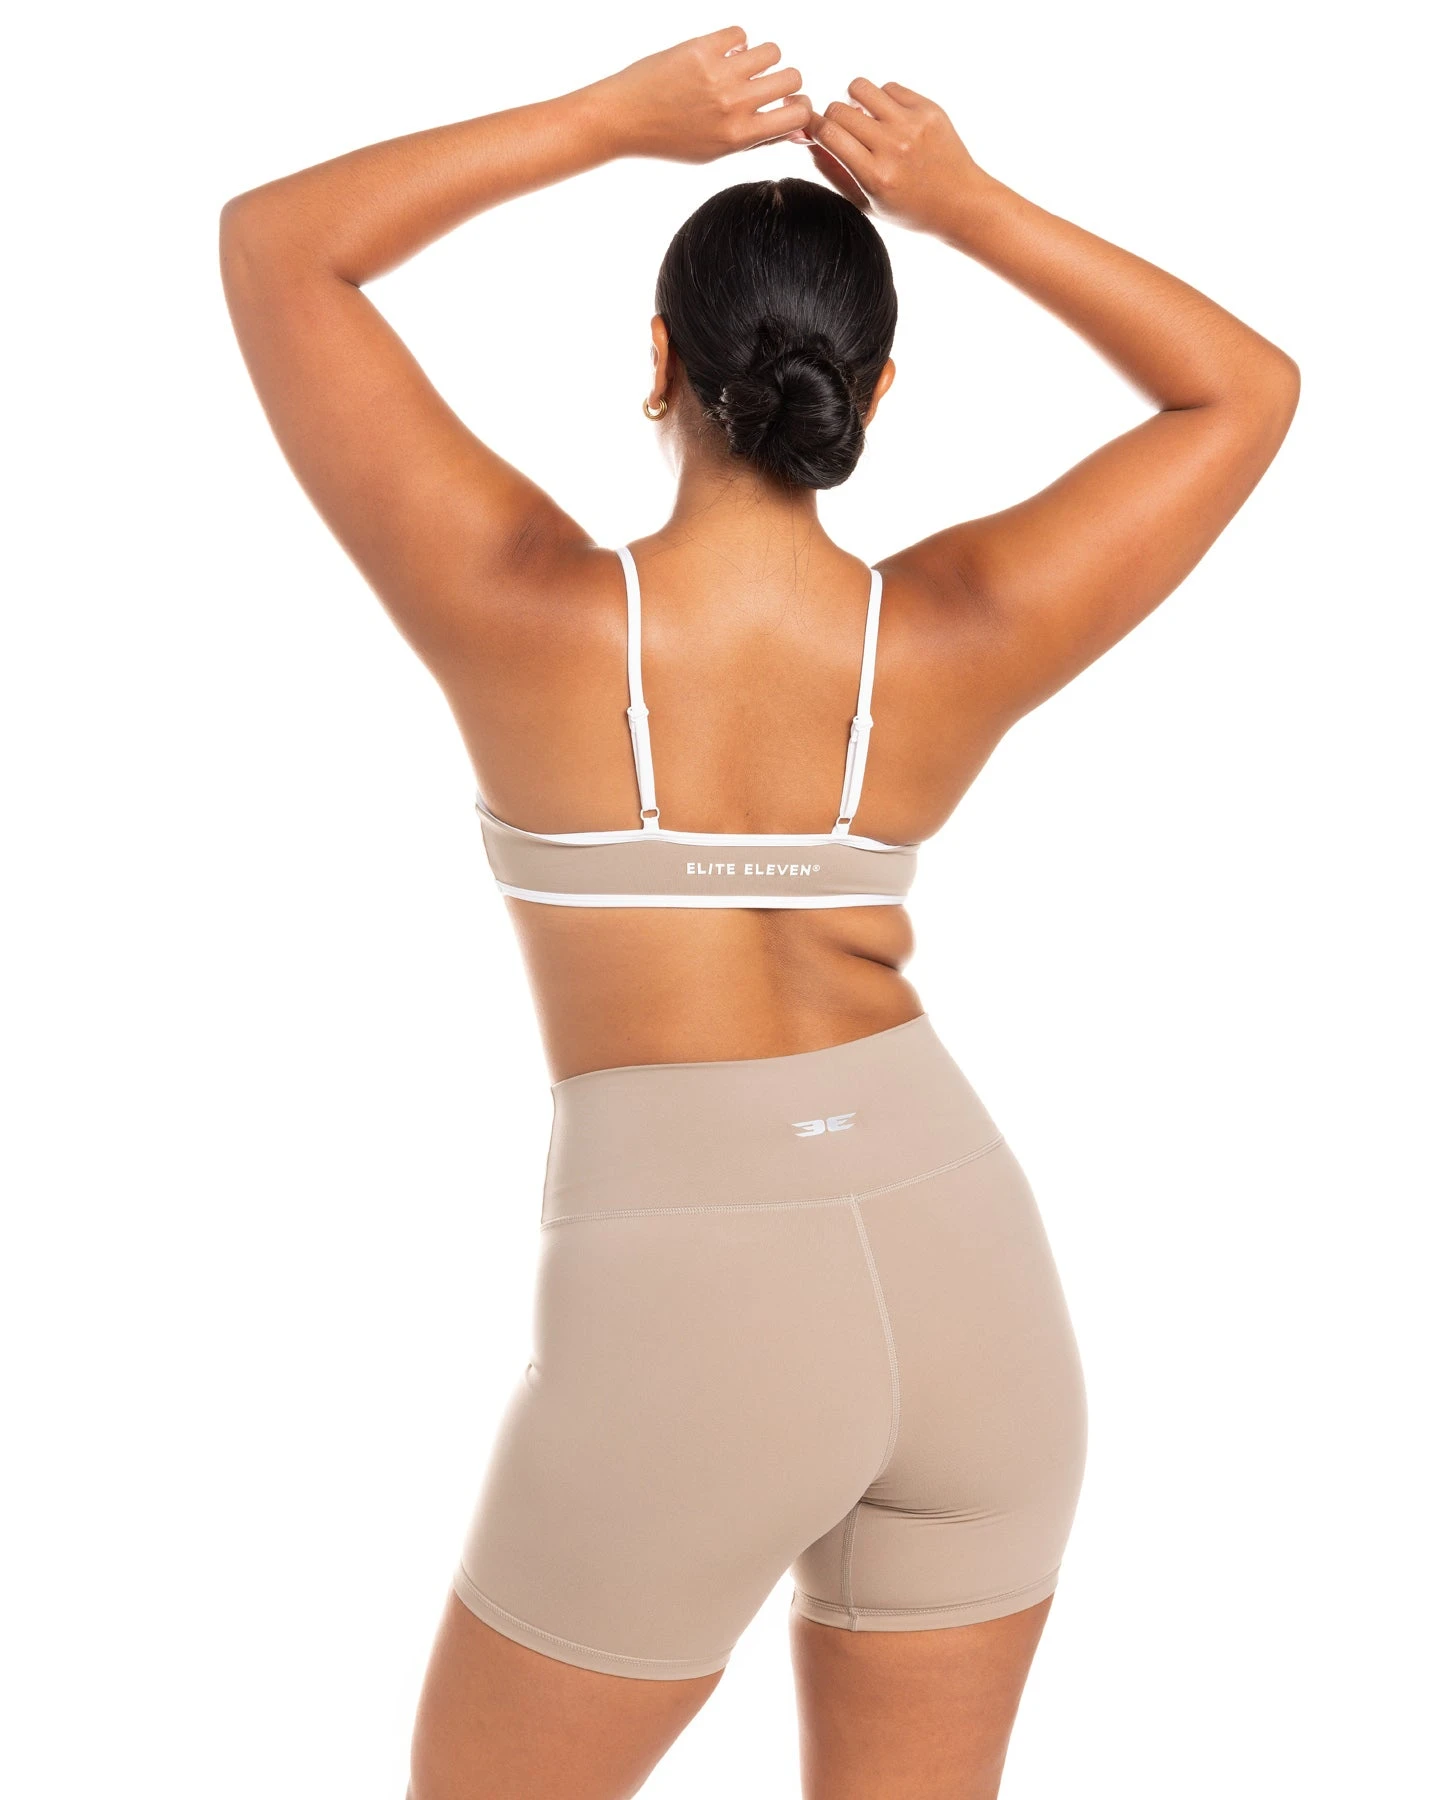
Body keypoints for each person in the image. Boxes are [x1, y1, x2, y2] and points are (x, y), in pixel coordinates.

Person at [220, 26, 1298, 1799]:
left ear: (657, 360)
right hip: (966, 1268)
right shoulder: (954, 631)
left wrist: (606, 121)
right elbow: (1244, 392)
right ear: (876, 394)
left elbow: (278, 246)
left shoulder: (519, 607)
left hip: (694, 1296)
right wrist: (967, 205)